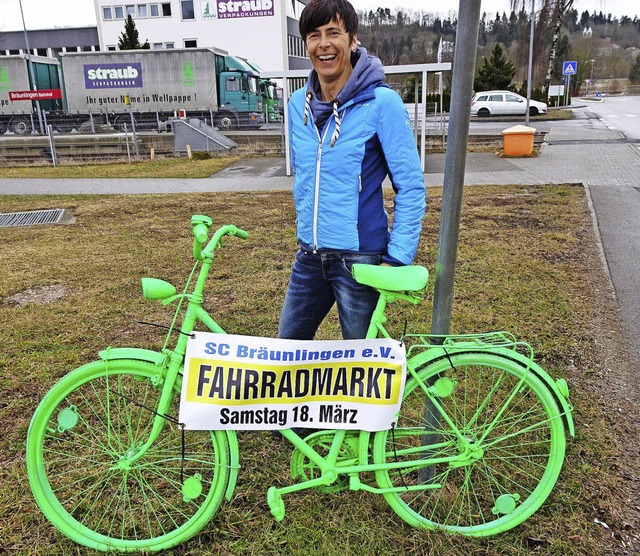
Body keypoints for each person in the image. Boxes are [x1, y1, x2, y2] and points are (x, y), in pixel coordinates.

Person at [278, 0, 426, 342]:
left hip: (361, 261)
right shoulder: (296, 104)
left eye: (334, 32)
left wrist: (398, 257)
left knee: (365, 370)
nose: (324, 44)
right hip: (310, 257)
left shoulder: (381, 104)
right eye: (314, 35)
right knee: (284, 357)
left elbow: (411, 187)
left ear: (353, 39)